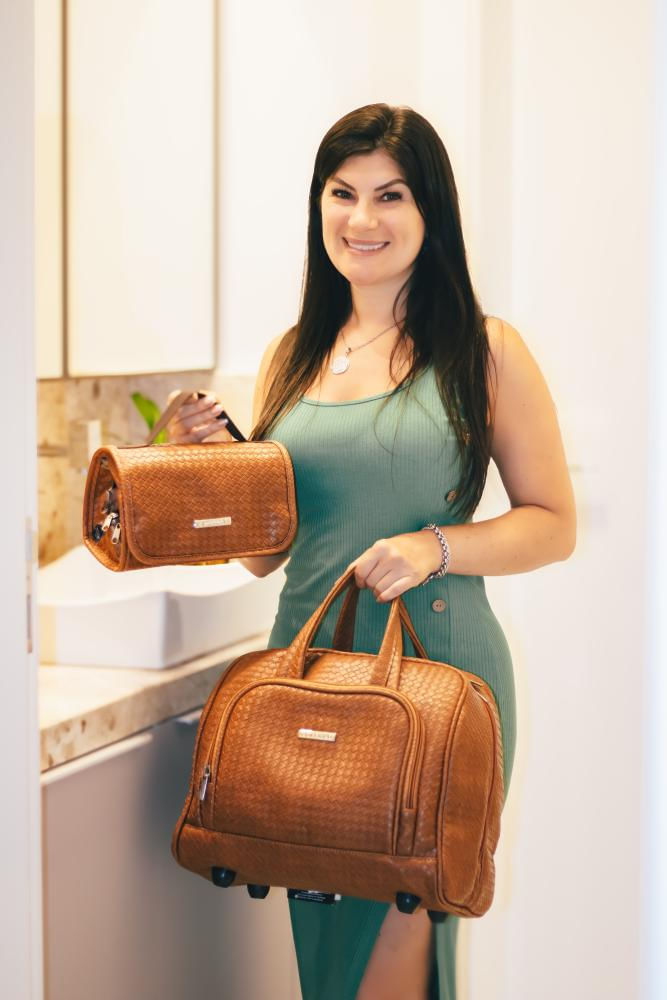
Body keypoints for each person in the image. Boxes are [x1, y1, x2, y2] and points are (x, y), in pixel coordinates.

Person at [166, 103, 576, 1000]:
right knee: (328, 961)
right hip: (306, 676)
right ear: (318, 206)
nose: (362, 219)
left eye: (390, 196)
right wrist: (211, 466)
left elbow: (552, 522)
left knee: (393, 946)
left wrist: (435, 546)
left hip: (437, 678)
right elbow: (267, 556)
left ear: (430, 213)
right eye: (342, 193)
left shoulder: (483, 350)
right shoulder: (291, 356)